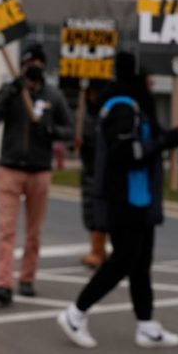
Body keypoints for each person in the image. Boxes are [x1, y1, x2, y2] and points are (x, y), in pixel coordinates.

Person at [57, 52, 178, 348]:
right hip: (125, 199)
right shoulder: (123, 107)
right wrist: (163, 143)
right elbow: (124, 153)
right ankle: (75, 314)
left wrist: (168, 138)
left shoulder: (133, 104)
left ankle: (147, 325)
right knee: (123, 261)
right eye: (148, 75)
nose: (153, 81)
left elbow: (142, 143)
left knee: (141, 263)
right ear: (137, 76)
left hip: (138, 198)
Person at [0, 42, 74, 305]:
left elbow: (69, 132)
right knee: (6, 230)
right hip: (10, 168)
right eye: (28, 64)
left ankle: (27, 278)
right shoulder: (10, 91)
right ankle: (3, 283)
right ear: (21, 66)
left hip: (39, 171)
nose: (32, 69)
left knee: (34, 232)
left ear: (44, 67)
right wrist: (7, 96)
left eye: (37, 64)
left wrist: (50, 131)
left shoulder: (53, 96)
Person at [74, 85, 108, 268]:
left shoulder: (107, 114)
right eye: (91, 93)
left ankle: (99, 251)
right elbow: (73, 140)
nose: (94, 96)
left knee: (101, 212)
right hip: (89, 169)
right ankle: (97, 249)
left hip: (104, 168)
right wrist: (76, 143)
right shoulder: (83, 116)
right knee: (91, 212)